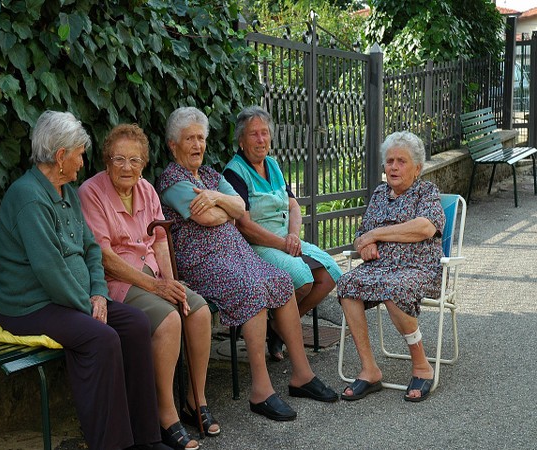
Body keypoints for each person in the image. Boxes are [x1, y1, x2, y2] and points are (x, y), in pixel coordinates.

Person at [0, 110, 170, 450]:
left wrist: (99, 295)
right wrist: (86, 306)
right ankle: (112, 443)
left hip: (74, 299)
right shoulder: (29, 197)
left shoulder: (66, 191)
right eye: (78, 153)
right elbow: (50, 270)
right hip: (31, 306)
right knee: (101, 337)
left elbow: (91, 249)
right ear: (61, 157)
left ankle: (146, 438)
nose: (82, 160)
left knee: (134, 323)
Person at [156, 106, 338, 422]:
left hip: (236, 255)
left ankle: (301, 376)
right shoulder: (173, 180)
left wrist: (216, 199)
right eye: (189, 139)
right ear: (173, 145)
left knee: (279, 279)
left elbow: (241, 206)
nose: (198, 145)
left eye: (201, 137)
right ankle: (261, 391)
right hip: (204, 263)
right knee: (252, 289)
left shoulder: (211, 176)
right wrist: (222, 204)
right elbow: (209, 217)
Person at [78, 124, 216, 450]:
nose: (127, 167)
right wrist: (156, 288)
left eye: (135, 160)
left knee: (197, 311)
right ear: (106, 161)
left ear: (143, 163)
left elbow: (160, 242)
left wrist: (170, 283)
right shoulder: (90, 192)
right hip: (119, 283)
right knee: (168, 319)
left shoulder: (147, 190)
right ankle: (165, 415)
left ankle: (197, 400)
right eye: (119, 159)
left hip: (153, 276)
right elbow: (105, 258)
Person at [223, 106, 343, 361]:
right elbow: (242, 224)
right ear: (241, 141)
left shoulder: (273, 164)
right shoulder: (234, 172)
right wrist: (281, 242)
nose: (261, 139)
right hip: (257, 245)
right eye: (254, 134)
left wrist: (293, 236)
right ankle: (279, 327)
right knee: (302, 276)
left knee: (332, 272)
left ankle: (277, 327)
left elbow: (293, 204)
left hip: (286, 240)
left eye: (265, 133)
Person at [335, 130, 445, 403]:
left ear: (417, 168)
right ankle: (369, 369)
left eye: (401, 161)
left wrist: (377, 234)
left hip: (418, 267)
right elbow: (363, 233)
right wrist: (365, 243)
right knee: (347, 284)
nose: (393, 167)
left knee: (393, 286)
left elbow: (425, 227)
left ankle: (421, 365)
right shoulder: (379, 193)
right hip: (380, 266)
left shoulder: (426, 192)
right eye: (390, 161)